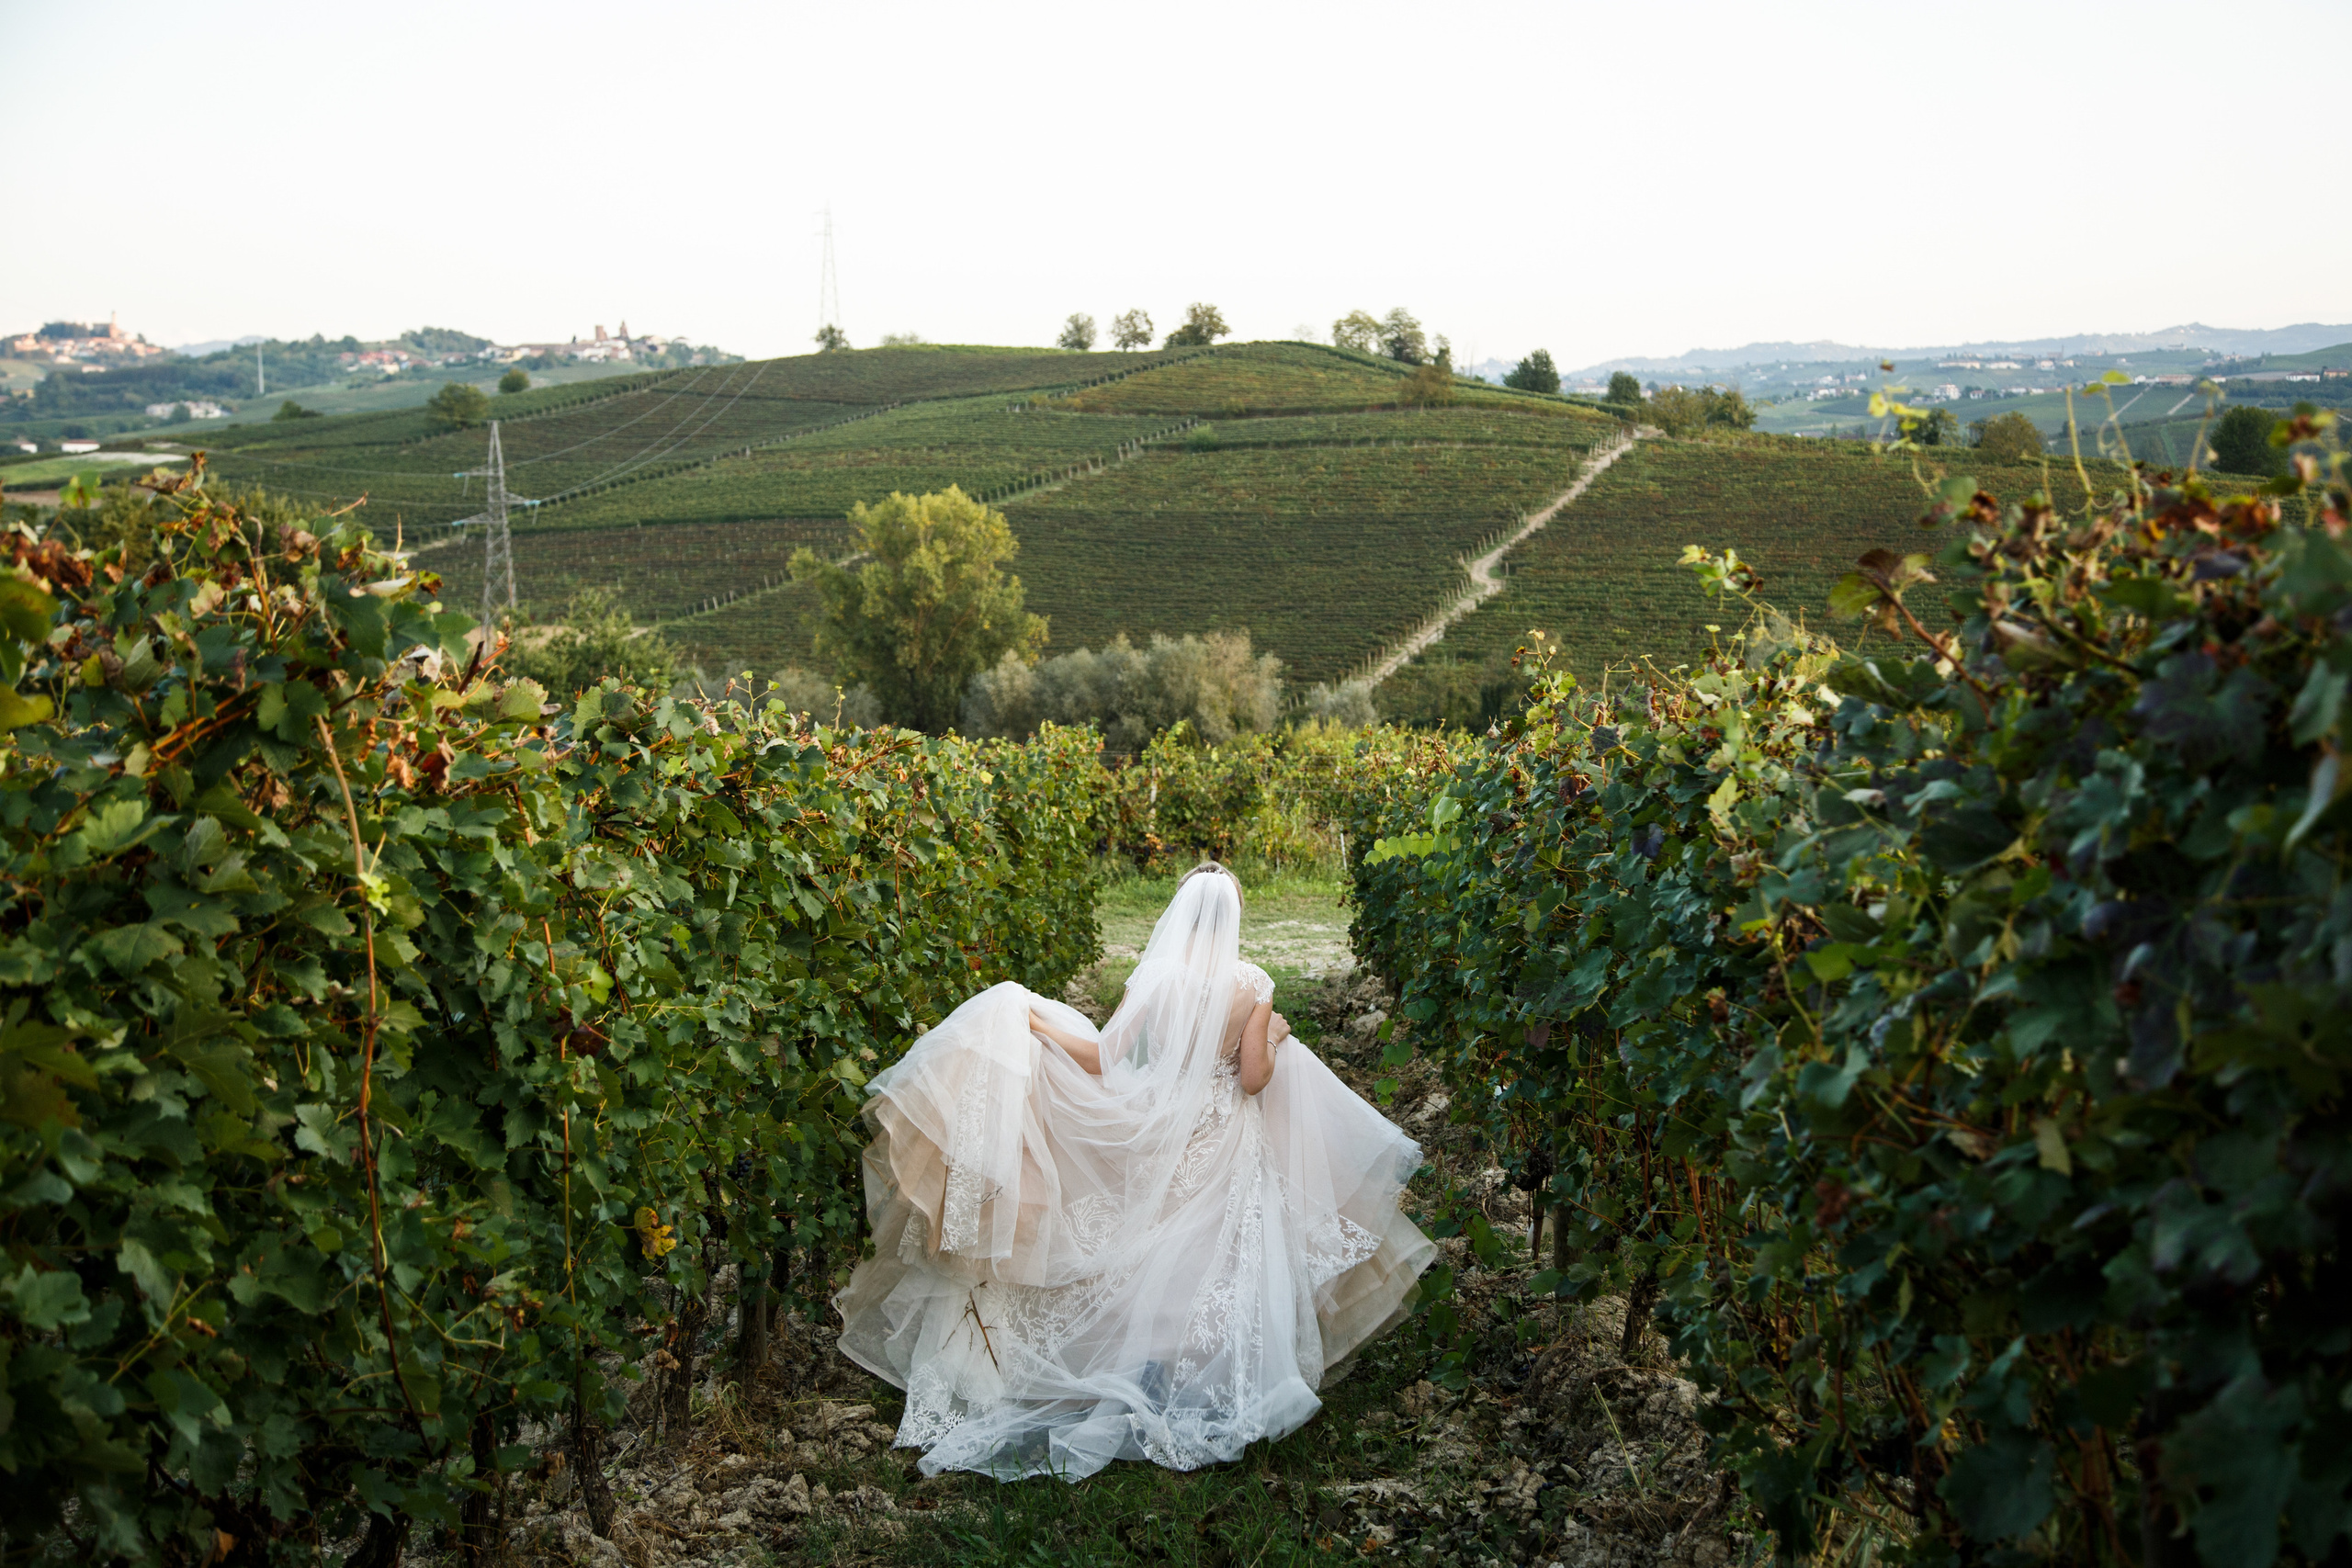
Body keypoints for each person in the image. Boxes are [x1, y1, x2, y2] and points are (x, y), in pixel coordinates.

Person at [834, 862, 1435, 1481]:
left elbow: (1102, 1057)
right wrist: (1276, 1036)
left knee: (1152, 1240)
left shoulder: (1154, 974)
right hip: (1223, 1129)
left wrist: (1034, 1023)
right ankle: (1200, 1370)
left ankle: (1135, 1354)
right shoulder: (1253, 983)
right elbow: (1254, 1078)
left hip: (1162, 1121)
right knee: (1214, 1249)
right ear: (1235, 913)